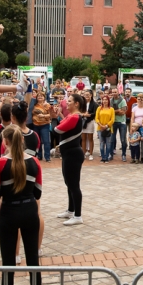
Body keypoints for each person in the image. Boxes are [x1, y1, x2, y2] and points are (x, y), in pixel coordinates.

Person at [0, 126, 43, 285]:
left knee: (8, 262)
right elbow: (38, 192)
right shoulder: (35, 162)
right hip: (29, 210)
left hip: (9, 212)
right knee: (33, 261)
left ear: (5, 141)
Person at [54, 93, 86, 225]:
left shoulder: (75, 116)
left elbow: (57, 129)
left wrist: (56, 122)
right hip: (68, 153)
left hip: (73, 154)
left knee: (74, 185)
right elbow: (60, 123)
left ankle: (78, 216)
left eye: (70, 101)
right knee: (69, 183)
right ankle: (71, 210)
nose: (67, 103)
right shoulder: (71, 116)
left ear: (76, 103)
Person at [95, 95, 114, 163]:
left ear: (108, 100)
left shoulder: (111, 109)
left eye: (106, 99)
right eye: (103, 99)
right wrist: (101, 125)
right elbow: (96, 118)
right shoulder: (99, 108)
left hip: (108, 128)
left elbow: (112, 119)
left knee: (108, 144)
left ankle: (107, 157)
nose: (105, 101)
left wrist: (106, 126)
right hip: (100, 129)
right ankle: (103, 157)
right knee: (102, 143)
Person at [109, 88, 127, 161]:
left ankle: (123, 154)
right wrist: (117, 111)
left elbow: (123, 112)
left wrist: (113, 111)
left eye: (115, 92)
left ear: (118, 92)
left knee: (123, 140)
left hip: (122, 122)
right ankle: (111, 154)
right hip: (113, 122)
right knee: (112, 139)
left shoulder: (123, 100)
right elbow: (109, 111)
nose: (114, 93)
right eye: (112, 92)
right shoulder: (110, 101)